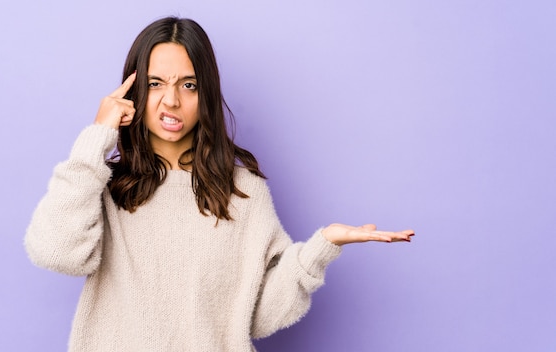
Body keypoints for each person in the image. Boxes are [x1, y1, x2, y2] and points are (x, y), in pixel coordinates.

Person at [24, 16, 414, 352]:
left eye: (189, 85)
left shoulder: (241, 192)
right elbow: (56, 253)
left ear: (206, 93)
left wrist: (322, 247)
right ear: (135, 91)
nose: (171, 101)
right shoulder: (103, 186)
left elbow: (257, 315)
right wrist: (97, 136)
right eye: (156, 83)